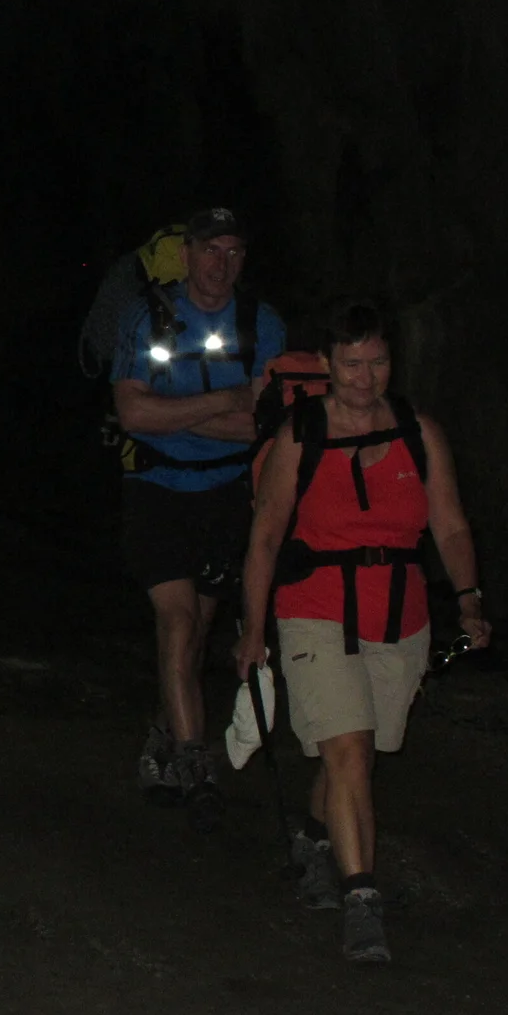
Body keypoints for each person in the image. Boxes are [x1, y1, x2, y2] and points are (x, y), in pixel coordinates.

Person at [234, 301, 490, 963]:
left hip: (398, 613)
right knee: (347, 753)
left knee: (361, 752)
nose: (364, 377)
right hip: (315, 603)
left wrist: (468, 601)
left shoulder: (418, 431)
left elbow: (451, 525)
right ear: (325, 365)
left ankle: (316, 839)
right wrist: (253, 628)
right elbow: (264, 536)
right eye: (351, 363)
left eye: (377, 362)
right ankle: (363, 900)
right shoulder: (302, 433)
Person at [111, 207, 284, 831]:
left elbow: (261, 424)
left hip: (225, 497)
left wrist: (177, 409)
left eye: (235, 252)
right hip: (155, 491)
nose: (222, 264)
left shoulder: (260, 323)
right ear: (187, 252)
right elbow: (132, 416)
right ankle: (195, 763)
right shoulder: (148, 316)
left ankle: (160, 741)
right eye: (212, 250)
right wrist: (225, 401)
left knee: (194, 635)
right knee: (179, 624)